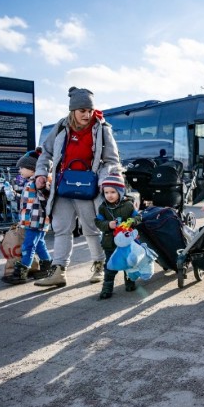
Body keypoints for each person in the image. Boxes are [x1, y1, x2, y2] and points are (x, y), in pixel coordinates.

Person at [33, 87, 121, 288]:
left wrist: (104, 180)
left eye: (89, 110)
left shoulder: (102, 128)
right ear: (72, 110)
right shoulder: (62, 127)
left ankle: (101, 265)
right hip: (63, 187)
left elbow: (112, 160)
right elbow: (45, 153)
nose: (87, 115)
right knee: (62, 228)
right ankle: (58, 271)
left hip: (89, 188)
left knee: (91, 229)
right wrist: (40, 173)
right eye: (82, 110)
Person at [4, 148, 52, 285]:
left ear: (32, 168)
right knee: (39, 244)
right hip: (32, 220)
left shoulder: (39, 182)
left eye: (22, 168)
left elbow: (46, 197)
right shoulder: (29, 183)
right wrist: (15, 195)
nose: (20, 171)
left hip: (36, 220)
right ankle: (47, 266)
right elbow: (29, 201)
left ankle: (22, 272)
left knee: (28, 245)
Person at [94, 173, 139, 299]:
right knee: (110, 266)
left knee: (128, 263)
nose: (109, 195)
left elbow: (138, 216)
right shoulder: (103, 207)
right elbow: (98, 221)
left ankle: (130, 282)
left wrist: (132, 221)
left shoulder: (128, 205)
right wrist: (108, 224)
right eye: (106, 192)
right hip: (110, 243)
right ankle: (107, 288)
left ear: (120, 191)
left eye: (113, 192)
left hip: (127, 242)